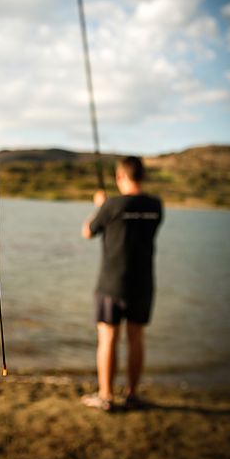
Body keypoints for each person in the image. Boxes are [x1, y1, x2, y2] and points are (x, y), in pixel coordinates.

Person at [81, 156, 163, 411]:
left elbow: (87, 231)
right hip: (143, 285)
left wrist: (100, 206)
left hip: (111, 284)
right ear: (142, 176)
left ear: (120, 177)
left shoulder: (112, 205)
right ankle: (133, 394)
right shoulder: (156, 205)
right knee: (136, 338)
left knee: (108, 339)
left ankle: (106, 396)